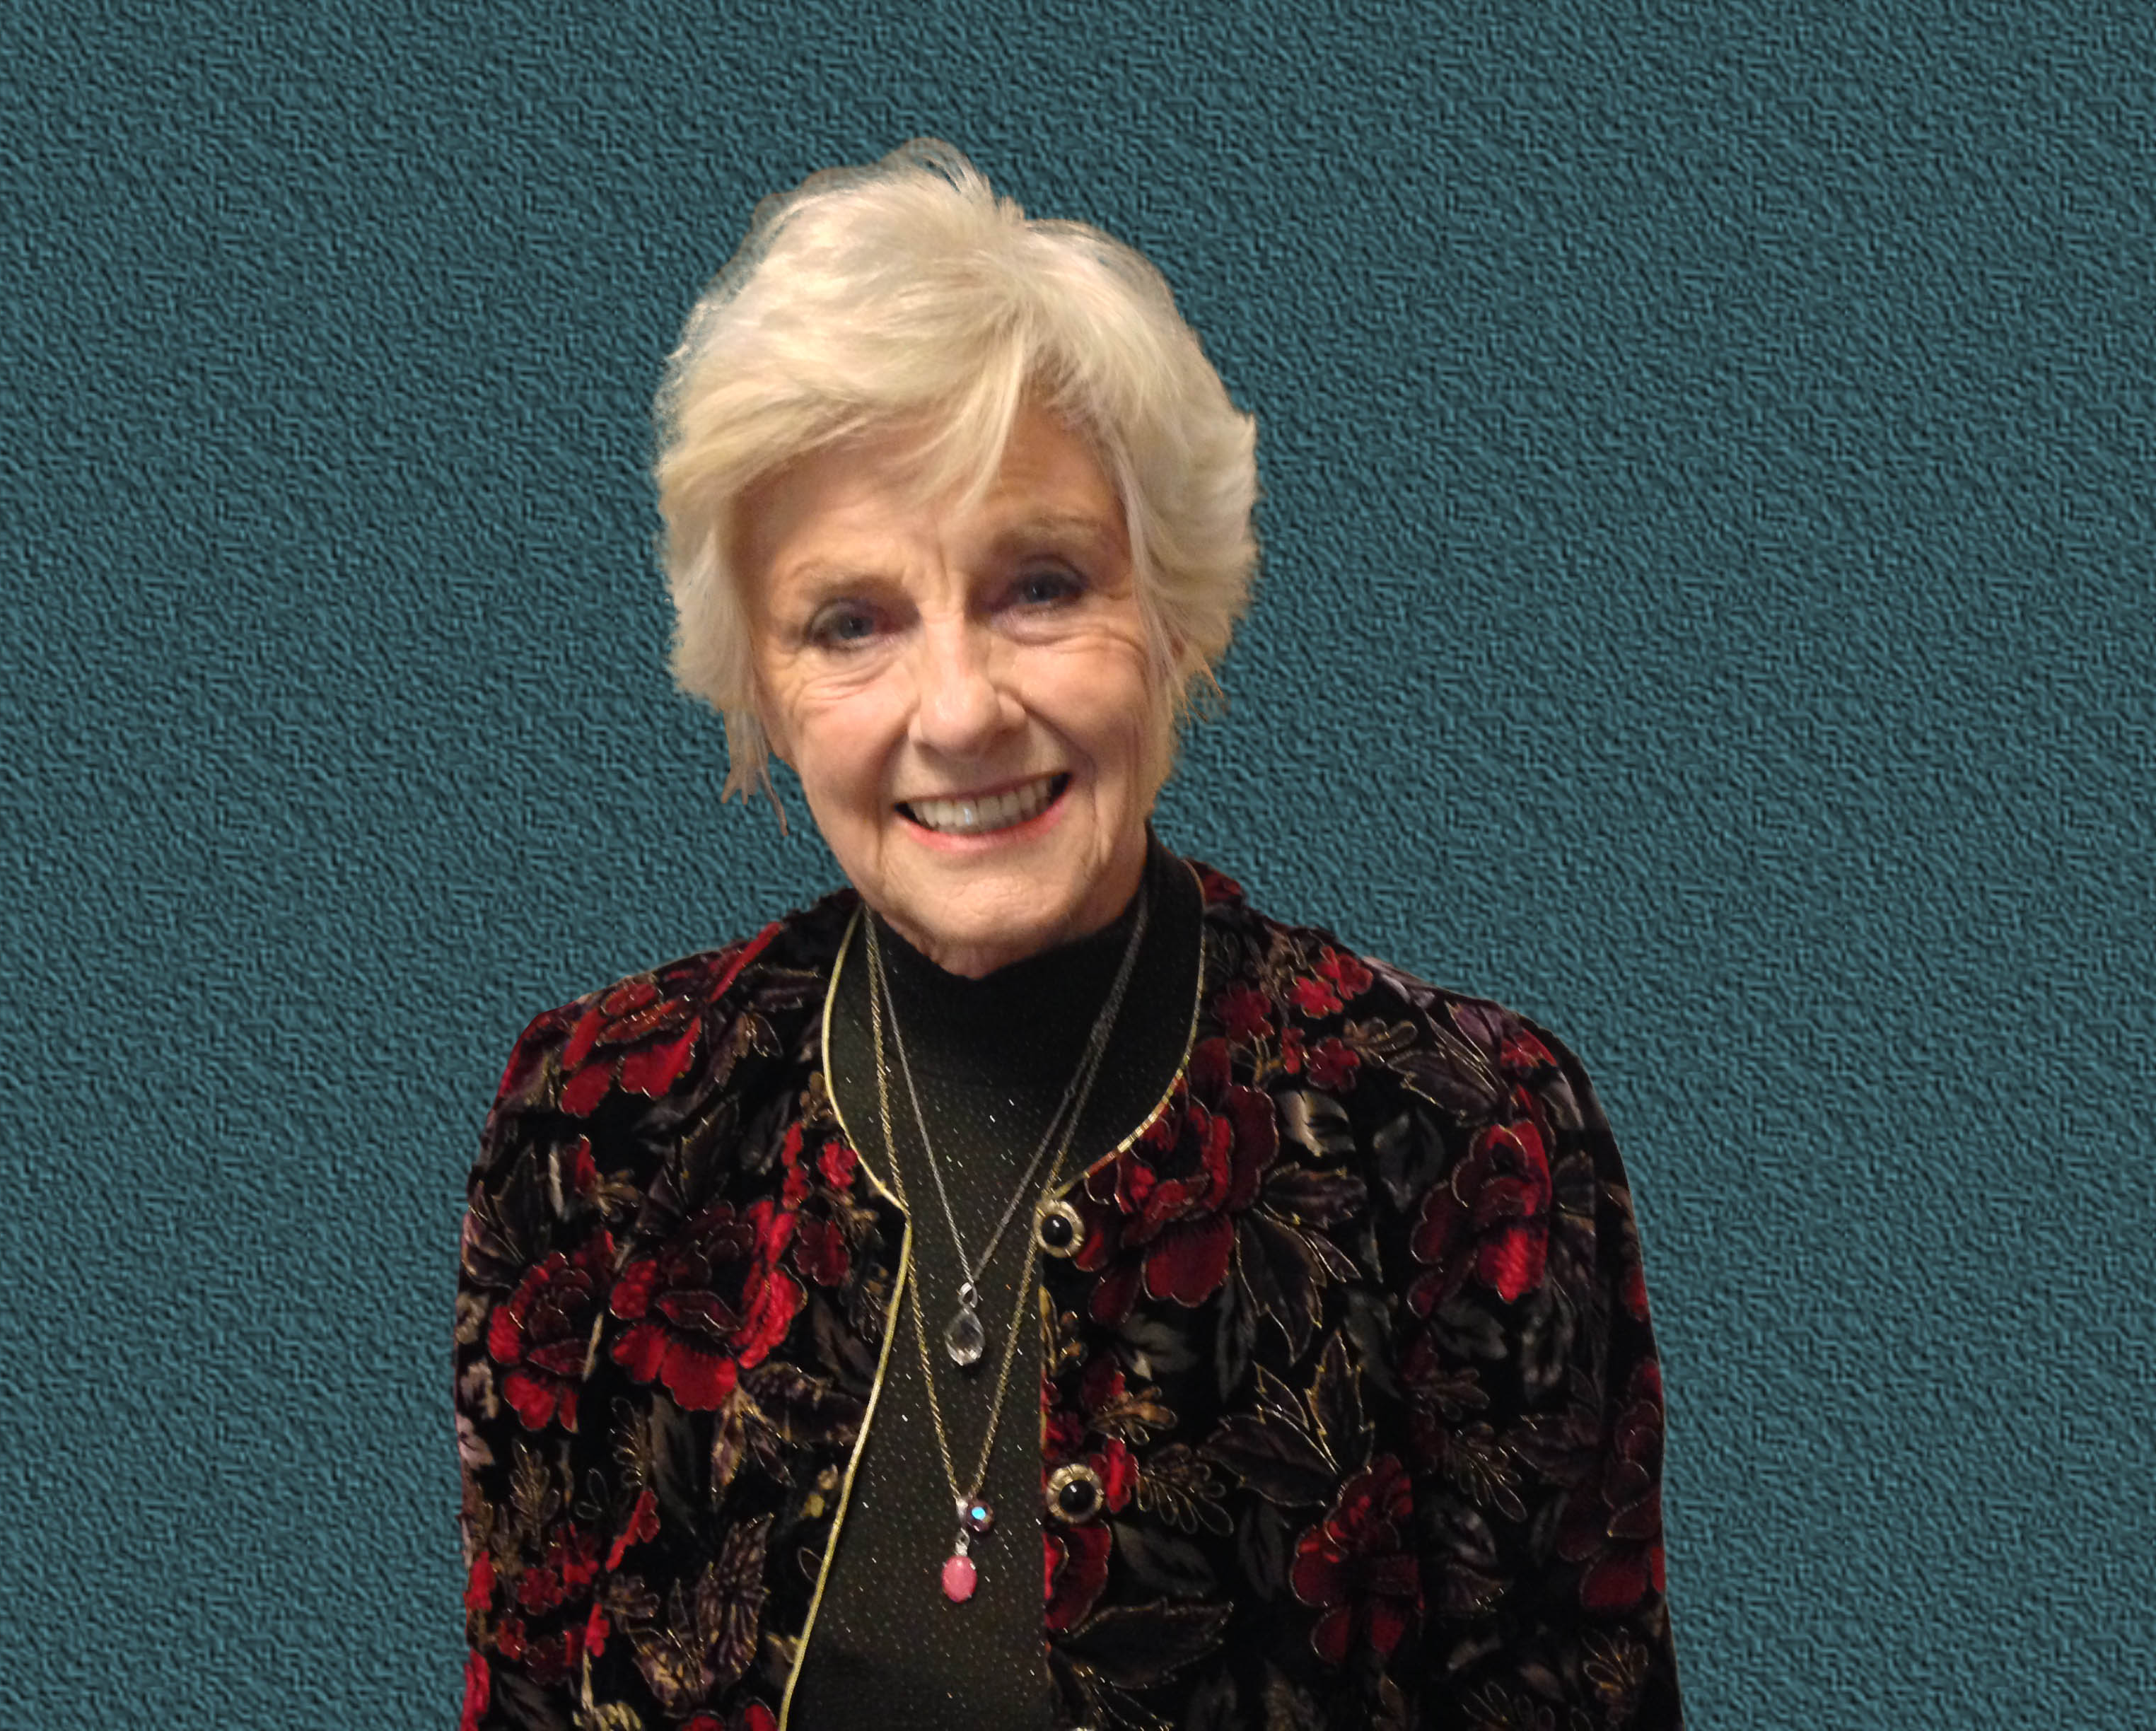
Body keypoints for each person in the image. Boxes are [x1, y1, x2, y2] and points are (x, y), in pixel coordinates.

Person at [455, 141, 1684, 1731]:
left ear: (1174, 613)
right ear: (761, 685)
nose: (960, 711)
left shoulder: (1464, 1136)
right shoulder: (595, 1124)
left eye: (1039, 587)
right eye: (851, 621)